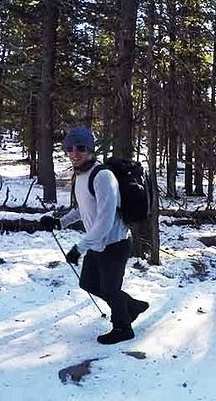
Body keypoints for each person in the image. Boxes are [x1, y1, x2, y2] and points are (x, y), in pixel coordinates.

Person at [41, 126, 148, 344]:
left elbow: (105, 220)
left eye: (80, 148)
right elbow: (83, 207)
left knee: (110, 289)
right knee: (88, 283)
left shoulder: (103, 176)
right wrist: (59, 222)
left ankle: (123, 328)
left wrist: (79, 248)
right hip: (98, 243)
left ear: (90, 149)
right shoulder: (81, 175)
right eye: (69, 148)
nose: (74, 153)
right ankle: (132, 306)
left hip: (115, 243)